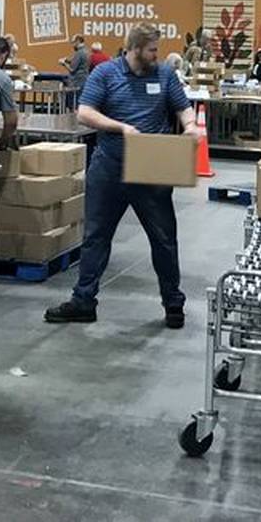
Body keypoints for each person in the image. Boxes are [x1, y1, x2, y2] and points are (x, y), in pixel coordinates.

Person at [46, 22, 204, 329]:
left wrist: (190, 126)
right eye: (152, 50)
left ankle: (173, 303)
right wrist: (120, 127)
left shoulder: (165, 75)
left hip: (150, 169)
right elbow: (85, 112)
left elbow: (182, 107)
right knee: (96, 237)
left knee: (164, 239)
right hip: (110, 167)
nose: (157, 55)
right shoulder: (106, 74)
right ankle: (83, 301)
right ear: (134, 49)